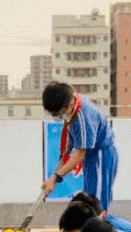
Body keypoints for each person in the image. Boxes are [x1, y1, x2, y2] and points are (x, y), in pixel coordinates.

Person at [41, 82, 120, 211]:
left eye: (58, 113)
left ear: (69, 105)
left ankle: (101, 228)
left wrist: (55, 178)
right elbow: (67, 151)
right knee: (88, 200)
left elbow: (79, 155)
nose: (57, 117)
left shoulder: (82, 119)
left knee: (98, 204)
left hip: (102, 155)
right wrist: (53, 177)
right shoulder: (73, 103)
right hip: (91, 157)